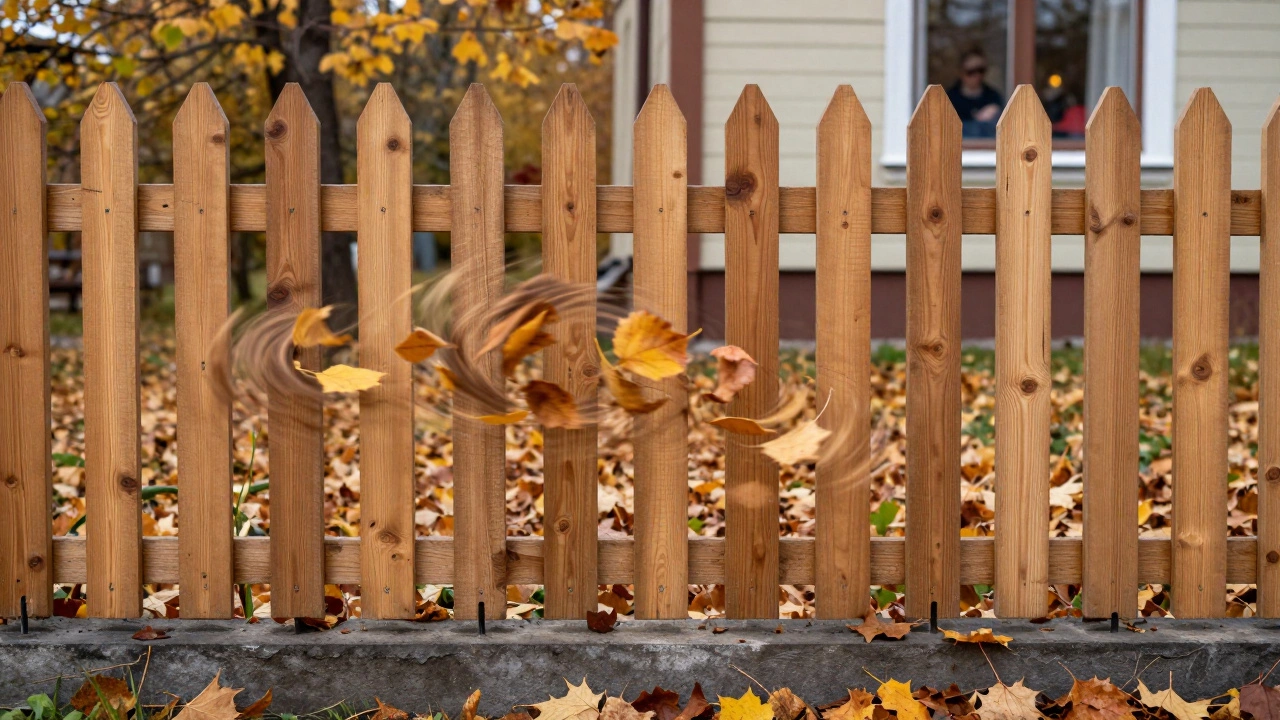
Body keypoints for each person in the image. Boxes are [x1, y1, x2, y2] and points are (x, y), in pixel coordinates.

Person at [946, 50, 1005, 138]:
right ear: (961, 73)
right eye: (971, 71)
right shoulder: (949, 98)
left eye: (980, 70)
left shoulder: (993, 96)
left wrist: (996, 113)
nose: (977, 75)